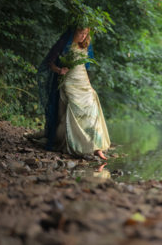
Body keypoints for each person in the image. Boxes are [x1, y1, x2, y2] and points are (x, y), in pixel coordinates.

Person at [35, 27, 111, 160]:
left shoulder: (86, 45)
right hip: (69, 82)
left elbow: (84, 67)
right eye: (81, 33)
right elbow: (49, 62)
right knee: (74, 108)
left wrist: (89, 84)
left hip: (84, 83)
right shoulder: (64, 43)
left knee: (92, 109)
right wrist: (59, 70)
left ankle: (96, 147)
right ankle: (73, 142)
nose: (83, 36)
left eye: (86, 34)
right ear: (74, 31)